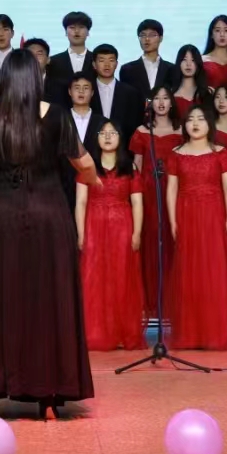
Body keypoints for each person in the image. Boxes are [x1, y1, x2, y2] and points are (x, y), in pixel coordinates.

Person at [0, 50, 99, 421]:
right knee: (48, 301)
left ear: (5, 80)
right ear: (36, 79)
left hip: (2, 219)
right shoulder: (57, 116)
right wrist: (93, 180)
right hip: (49, 218)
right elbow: (85, 164)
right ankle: (48, 397)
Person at [165, 104, 227, 350]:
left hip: (213, 214)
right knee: (189, 270)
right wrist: (173, 220)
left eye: (201, 119)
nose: (195, 123)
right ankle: (190, 333)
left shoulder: (220, 153)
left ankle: (214, 332)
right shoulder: (176, 154)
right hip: (186, 213)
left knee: (213, 270)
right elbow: (171, 190)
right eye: (191, 119)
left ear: (209, 124)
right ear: (184, 125)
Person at [75, 120, 145, 351]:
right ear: (96, 138)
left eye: (112, 133)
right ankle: (96, 333)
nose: (107, 137)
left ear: (120, 138)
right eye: (103, 133)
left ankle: (122, 332)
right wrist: (81, 233)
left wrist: (137, 232)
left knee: (121, 277)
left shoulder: (130, 167)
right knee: (94, 278)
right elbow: (81, 202)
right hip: (94, 225)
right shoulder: (87, 167)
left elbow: (137, 202)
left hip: (122, 227)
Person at [129, 85, 182, 315]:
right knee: (150, 243)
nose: (161, 103)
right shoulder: (142, 131)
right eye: (156, 99)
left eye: (165, 98)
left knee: (173, 241)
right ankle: (151, 302)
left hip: (175, 192)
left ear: (172, 102)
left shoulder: (182, 131)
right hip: (148, 193)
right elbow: (137, 166)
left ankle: (173, 301)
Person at [63, 73, 101, 213]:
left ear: (92, 93)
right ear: (69, 91)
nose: (81, 91)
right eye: (77, 87)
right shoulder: (59, 120)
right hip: (63, 187)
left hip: (94, 186)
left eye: (86, 88)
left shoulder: (103, 122)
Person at [91, 44, 143, 147]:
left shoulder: (131, 93)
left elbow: (134, 125)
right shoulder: (87, 91)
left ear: (116, 64)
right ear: (94, 64)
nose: (107, 65)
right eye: (102, 60)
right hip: (91, 149)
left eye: (111, 60)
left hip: (122, 149)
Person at [119, 19, 180, 100]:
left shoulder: (172, 69)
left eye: (152, 35)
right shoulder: (127, 69)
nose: (147, 39)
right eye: (143, 35)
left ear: (161, 38)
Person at [47, 11, 96, 104]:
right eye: (72, 27)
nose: (76, 31)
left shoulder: (97, 60)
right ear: (66, 32)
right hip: (60, 111)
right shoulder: (53, 62)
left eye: (81, 27)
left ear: (88, 32)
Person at [202, 14, 227, 91]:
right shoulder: (202, 60)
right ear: (211, 34)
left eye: (226, 31)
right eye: (217, 30)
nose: (222, 35)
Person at [172, 45, 209, 120]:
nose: (188, 64)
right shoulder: (171, 96)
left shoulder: (206, 95)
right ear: (179, 63)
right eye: (184, 59)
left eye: (193, 60)